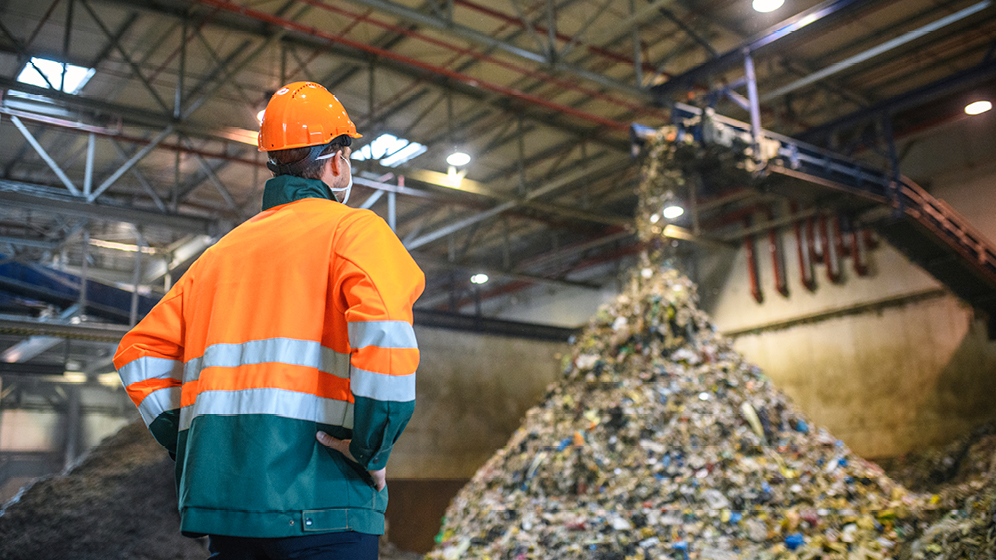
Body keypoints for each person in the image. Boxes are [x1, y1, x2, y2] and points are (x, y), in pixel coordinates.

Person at [114, 81, 424, 560]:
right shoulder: (355, 231)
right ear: (337, 160)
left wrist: (198, 443)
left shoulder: (218, 257)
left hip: (229, 516)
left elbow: (138, 352)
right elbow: (385, 337)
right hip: (326, 508)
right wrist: (371, 452)